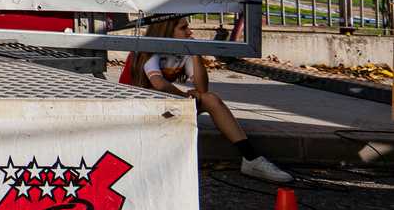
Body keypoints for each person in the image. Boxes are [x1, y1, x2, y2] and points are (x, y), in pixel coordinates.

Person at [122, 17, 292, 184]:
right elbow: (158, 85)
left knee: (210, 99)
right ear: (166, 31)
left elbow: (202, 89)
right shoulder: (150, 50)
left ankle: (251, 158)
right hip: (134, 110)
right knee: (160, 93)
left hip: (163, 108)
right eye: (183, 28)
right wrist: (184, 97)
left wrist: (196, 55)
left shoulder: (182, 51)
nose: (190, 31)